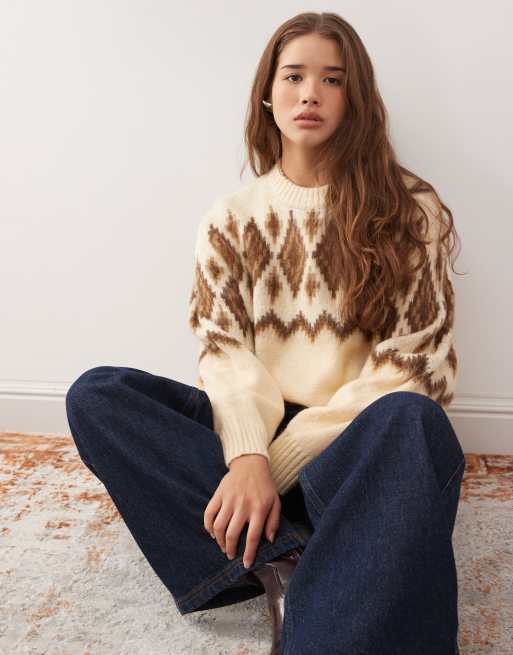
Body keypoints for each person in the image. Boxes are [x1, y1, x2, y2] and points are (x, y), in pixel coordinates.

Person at [65, 11, 466, 655]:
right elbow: (224, 354)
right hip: (255, 432)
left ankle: (308, 584)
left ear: (356, 100)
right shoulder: (231, 218)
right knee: (98, 396)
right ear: (267, 95)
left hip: (357, 452)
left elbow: (417, 365)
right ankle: (291, 559)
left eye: (333, 80)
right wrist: (246, 455)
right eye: (294, 76)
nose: (311, 94)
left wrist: (273, 466)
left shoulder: (408, 208)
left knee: (412, 420)